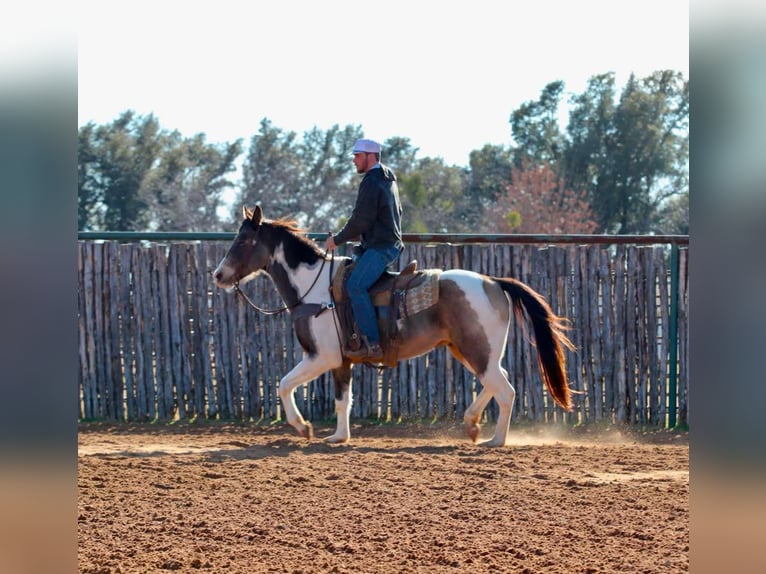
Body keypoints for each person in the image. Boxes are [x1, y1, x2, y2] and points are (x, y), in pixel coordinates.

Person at [325, 138, 403, 360]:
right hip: (386, 244)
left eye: (357, 156)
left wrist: (337, 240)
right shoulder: (387, 178)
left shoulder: (372, 182)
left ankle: (374, 343)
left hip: (381, 247)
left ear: (370, 156)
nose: (353, 160)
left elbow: (360, 220)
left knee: (355, 286)